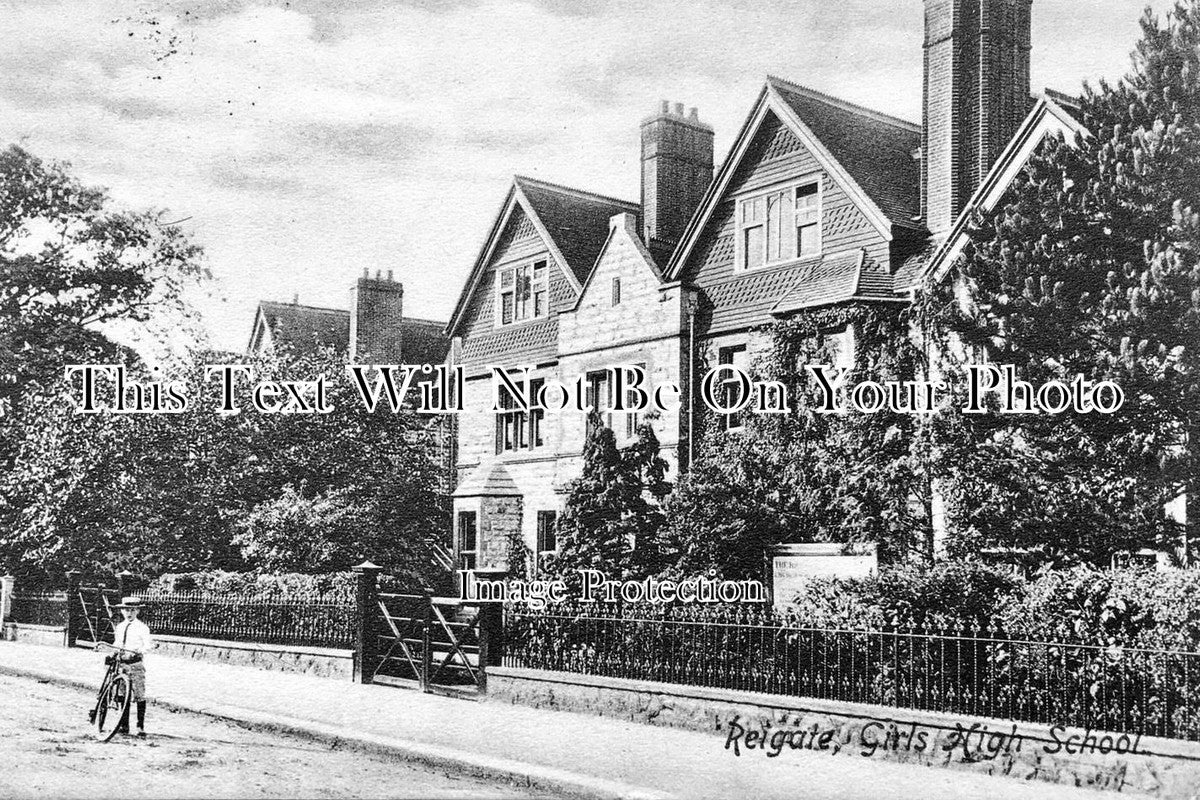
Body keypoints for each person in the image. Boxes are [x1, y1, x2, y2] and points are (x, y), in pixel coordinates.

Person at [112, 596, 152, 737]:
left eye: (132, 610)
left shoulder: (142, 628)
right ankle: (124, 725)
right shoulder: (120, 627)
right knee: (122, 694)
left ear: (137, 612)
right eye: (126, 610)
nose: (129, 613)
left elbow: (147, 646)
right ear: (122, 611)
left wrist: (138, 651)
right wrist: (115, 651)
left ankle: (140, 726)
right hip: (122, 664)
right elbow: (117, 643)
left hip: (135, 664)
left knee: (139, 694)